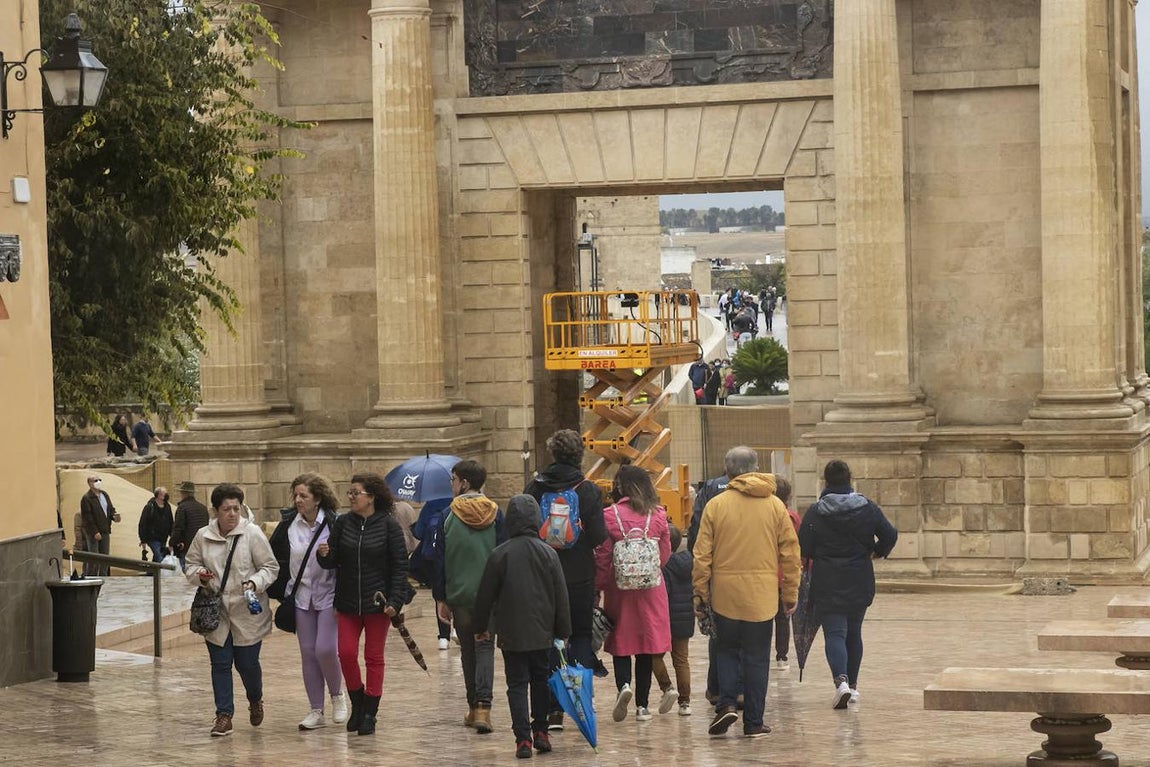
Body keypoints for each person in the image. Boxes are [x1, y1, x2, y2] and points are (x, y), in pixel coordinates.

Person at [692, 446, 800, 738]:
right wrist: (790, 592)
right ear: (755, 468)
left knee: (726, 650)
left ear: (727, 471)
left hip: (725, 593)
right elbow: (790, 553)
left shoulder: (716, 505)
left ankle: (726, 703)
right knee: (757, 657)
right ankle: (753, 722)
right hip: (762, 595)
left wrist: (700, 594)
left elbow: (702, 555)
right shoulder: (775, 506)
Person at [472, 495, 571, 759]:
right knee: (540, 680)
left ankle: (522, 740)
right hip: (542, 632)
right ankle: (541, 731)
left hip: (511, 632)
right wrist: (563, 631)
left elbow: (485, 596)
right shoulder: (549, 553)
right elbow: (561, 595)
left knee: (516, 684)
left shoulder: (499, 554)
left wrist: (480, 626)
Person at [523, 428, 607, 730]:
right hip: (579, 576)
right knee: (581, 636)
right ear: (580, 454)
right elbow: (599, 535)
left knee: (551, 639)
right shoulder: (588, 489)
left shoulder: (535, 487)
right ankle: (581, 702)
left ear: (552, 453)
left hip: (544, 575)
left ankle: (553, 709)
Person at [316, 472, 410, 736]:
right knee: (345, 653)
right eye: (350, 492)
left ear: (371, 497)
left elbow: (400, 566)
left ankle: (370, 711)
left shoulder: (389, 525)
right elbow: (332, 560)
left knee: (373, 657)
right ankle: (357, 704)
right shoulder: (343, 523)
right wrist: (323, 555)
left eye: (356, 492)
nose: (351, 497)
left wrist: (395, 600)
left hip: (378, 604)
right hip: (347, 602)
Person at [799, 460, 898, 709]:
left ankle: (840, 682)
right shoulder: (867, 507)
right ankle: (853, 687)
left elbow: (803, 545)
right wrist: (876, 551)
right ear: (850, 479)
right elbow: (890, 533)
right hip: (859, 576)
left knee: (835, 633)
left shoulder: (815, 511)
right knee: (854, 632)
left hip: (827, 578)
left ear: (825, 481)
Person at [185, 483, 279, 737]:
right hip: (215, 611)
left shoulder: (252, 534)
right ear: (216, 511)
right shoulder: (202, 536)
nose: (232, 513)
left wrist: (254, 583)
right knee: (220, 663)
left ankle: (255, 699)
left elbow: (270, 567)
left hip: (246, 611)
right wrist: (200, 575)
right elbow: (191, 564)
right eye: (226, 509)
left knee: (247, 664)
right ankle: (223, 715)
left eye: (236, 508)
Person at [268, 473, 347, 731]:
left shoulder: (334, 524)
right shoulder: (289, 525)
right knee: (308, 653)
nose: (298, 500)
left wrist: (330, 554)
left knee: (325, 649)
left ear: (318, 498)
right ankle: (316, 709)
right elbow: (275, 557)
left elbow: (345, 557)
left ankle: (337, 695)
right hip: (300, 596)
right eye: (296, 495)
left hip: (329, 595)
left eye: (304, 495)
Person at [594, 465, 672, 723]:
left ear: (619, 487)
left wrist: (602, 584)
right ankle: (642, 707)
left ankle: (623, 686)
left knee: (622, 642)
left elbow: (604, 556)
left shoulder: (608, 515)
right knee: (646, 646)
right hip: (651, 589)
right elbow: (665, 555)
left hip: (620, 588)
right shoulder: (658, 515)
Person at [433, 460, 503, 734]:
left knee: (468, 650)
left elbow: (438, 560)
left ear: (463, 482)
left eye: (453, 479)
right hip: (490, 594)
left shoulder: (447, 515)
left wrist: (441, 597)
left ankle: (474, 706)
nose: (451, 485)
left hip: (459, 595)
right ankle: (484, 708)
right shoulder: (496, 514)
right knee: (485, 646)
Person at [651, 523, 693, 716]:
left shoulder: (662, 564)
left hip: (664, 617)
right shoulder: (689, 562)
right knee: (682, 660)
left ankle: (667, 687)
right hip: (685, 618)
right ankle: (685, 702)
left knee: (654, 655)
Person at [411, 494, 456, 650]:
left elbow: (418, 532)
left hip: (435, 559)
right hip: (456, 556)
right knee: (457, 591)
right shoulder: (458, 503)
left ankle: (443, 637)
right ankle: (457, 629)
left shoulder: (431, 505)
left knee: (439, 596)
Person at [771, 478, 802, 672]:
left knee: (765, 617)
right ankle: (782, 656)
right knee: (783, 619)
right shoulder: (794, 517)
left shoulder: (770, 515)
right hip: (785, 574)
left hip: (769, 572)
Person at [79, 475, 120, 577]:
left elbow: (110, 508)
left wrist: (114, 516)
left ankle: (104, 577)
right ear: (89, 483)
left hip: (105, 530)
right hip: (93, 533)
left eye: (99, 480)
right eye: (95, 480)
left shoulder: (104, 494)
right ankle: (91, 577)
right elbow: (88, 517)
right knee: (94, 558)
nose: (98, 482)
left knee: (105, 557)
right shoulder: (86, 498)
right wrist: (95, 531)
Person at [171, 481, 210, 570]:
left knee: (187, 571)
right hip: (202, 544)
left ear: (183, 493)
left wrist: (172, 542)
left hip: (186, 545)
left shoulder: (182, 507)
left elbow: (178, 527)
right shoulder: (203, 508)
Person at [138, 487, 174, 563]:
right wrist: (143, 539)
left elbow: (171, 522)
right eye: (164, 493)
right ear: (158, 495)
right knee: (159, 557)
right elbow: (143, 523)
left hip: (163, 538)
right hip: (152, 538)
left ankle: (151, 573)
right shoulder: (149, 507)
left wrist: (173, 536)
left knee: (157, 560)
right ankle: (165, 573)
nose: (166, 495)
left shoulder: (167, 507)